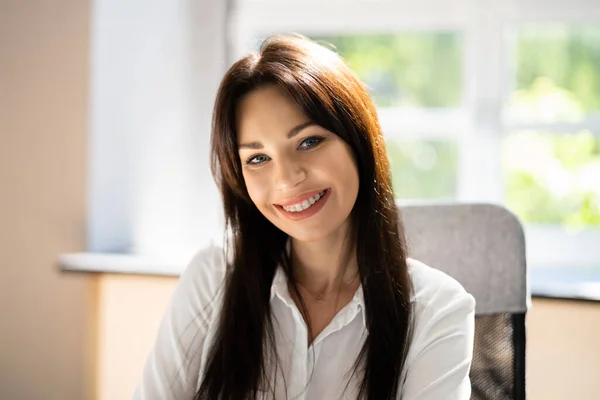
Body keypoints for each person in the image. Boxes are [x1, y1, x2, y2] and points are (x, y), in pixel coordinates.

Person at [133, 34, 475, 400]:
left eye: (308, 142)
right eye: (258, 158)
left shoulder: (437, 309)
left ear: (358, 141)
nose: (286, 179)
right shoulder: (215, 275)